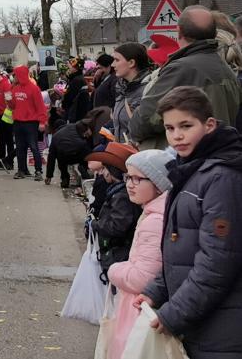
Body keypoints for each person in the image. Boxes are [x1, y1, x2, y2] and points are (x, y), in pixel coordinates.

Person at [136, 86, 242, 358]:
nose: (177, 136)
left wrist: (175, 313)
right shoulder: (194, 168)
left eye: (186, 125)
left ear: (208, 125)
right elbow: (183, 248)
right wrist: (156, 291)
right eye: (170, 128)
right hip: (203, 320)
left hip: (222, 329)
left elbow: (218, 261)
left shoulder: (221, 177)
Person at [130, 6, 242, 149]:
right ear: (214, 33)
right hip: (217, 154)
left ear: (179, 31)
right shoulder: (225, 68)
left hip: (182, 157)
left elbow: (144, 121)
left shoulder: (181, 69)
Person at [106, 149, 172, 359]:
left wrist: (114, 269)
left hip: (137, 308)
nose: (129, 184)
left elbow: (141, 279)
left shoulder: (154, 221)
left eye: (138, 179)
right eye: (128, 177)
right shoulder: (153, 212)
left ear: (159, 184)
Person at [85, 142, 140, 274]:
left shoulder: (121, 196)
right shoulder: (117, 191)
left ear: (113, 170)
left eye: (104, 168)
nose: (101, 172)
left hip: (119, 254)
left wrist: (95, 224)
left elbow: (117, 226)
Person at [9, 65, 47, 180]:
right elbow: (13, 106)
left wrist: (42, 122)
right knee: (20, 147)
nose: (13, 77)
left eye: (15, 75)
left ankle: (38, 171)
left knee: (34, 147)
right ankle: (21, 170)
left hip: (31, 123)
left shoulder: (34, 89)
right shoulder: (15, 88)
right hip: (18, 122)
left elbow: (40, 107)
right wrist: (8, 100)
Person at [111, 42, 152, 144]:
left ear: (131, 63)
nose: (113, 65)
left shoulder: (147, 90)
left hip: (139, 154)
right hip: (124, 151)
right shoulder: (122, 88)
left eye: (117, 60)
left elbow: (146, 128)